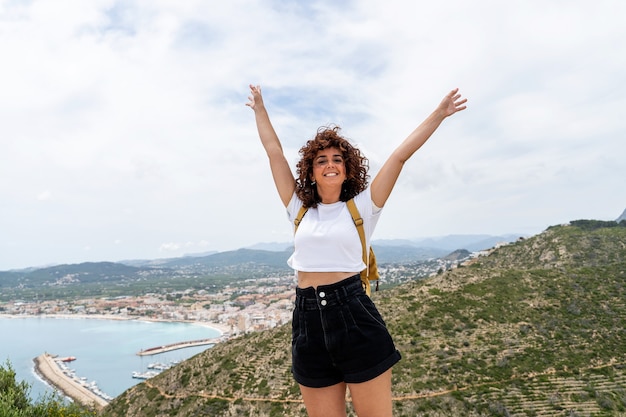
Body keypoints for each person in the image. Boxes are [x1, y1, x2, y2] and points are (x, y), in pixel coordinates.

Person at [246, 84, 467, 417]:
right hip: (307, 322)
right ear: (311, 170)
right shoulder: (299, 209)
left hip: (353, 316)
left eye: (337, 159)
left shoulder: (362, 208)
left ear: (347, 168)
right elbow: (274, 152)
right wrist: (260, 108)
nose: (330, 164)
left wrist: (439, 113)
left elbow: (399, 156)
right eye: (321, 160)